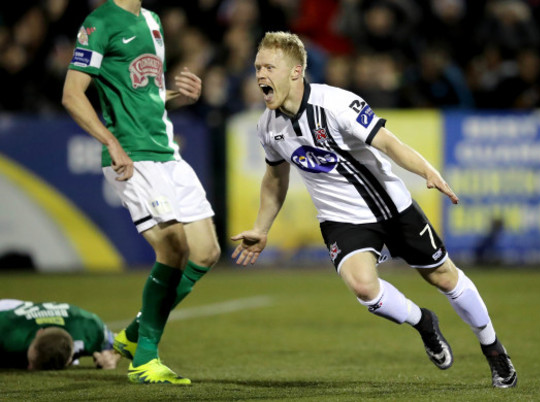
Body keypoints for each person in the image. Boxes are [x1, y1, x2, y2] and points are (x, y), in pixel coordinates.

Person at [231, 31, 517, 388]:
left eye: (269, 66)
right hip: (342, 220)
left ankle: (492, 348)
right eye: (258, 66)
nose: (260, 75)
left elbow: (388, 143)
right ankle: (423, 323)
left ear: (295, 71)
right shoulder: (267, 127)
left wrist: (427, 170)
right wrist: (261, 227)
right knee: (363, 286)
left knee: (443, 276)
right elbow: (275, 178)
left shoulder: (335, 104)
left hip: (390, 206)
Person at [61, 0, 220, 385]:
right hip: (133, 153)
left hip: (166, 151)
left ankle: (133, 335)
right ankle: (145, 357)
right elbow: (72, 94)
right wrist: (110, 142)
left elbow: (144, 92)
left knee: (206, 251)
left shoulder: (151, 20)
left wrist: (179, 95)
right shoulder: (99, 22)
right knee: (173, 245)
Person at [0, 299, 120, 370]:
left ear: (70, 359)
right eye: (32, 362)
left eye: (32, 364)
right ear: (39, 333)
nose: (29, 368)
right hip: (11, 313)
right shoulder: (8, 331)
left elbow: (119, 341)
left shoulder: (90, 327)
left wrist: (113, 356)